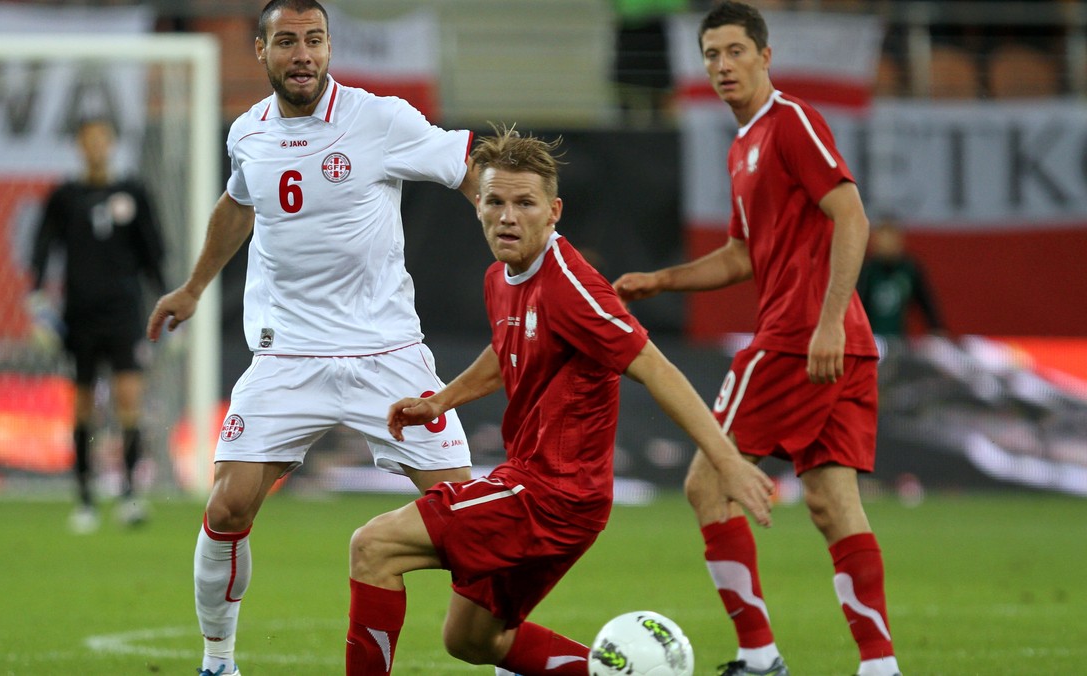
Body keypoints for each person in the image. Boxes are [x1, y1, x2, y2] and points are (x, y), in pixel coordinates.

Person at [344, 126, 775, 676]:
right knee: (473, 641)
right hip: (541, 488)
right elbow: (507, 350)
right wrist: (441, 400)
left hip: (552, 496)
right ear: (476, 205)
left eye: (525, 203)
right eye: (495, 201)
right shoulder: (501, 277)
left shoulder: (571, 284)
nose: (507, 216)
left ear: (554, 211)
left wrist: (726, 460)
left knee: (374, 546)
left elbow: (656, 368)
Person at [143, 2, 479, 674]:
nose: (304, 56)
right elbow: (239, 204)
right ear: (261, 51)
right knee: (230, 502)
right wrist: (194, 287)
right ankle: (217, 661)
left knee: (470, 518)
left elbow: (465, 166)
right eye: (289, 42)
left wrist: (518, 241)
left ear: (330, 47)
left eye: (316, 41)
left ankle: (500, 650)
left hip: (385, 353)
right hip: (287, 355)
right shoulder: (249, 133)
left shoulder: (378, 118)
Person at [612, 3, 903, 675]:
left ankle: (759, 655)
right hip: (835, 343)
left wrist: (828, 319)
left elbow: (851, 215)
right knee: (833, 503)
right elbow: (741, 256)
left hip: (804, 337)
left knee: (704, 484)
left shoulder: (790, 122)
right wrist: (664, 280)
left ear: (765, 57)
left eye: (735, 51)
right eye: (711, 54)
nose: (722, 65)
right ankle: (880, 666)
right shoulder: (742, 146)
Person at [29, 117, 166, 534]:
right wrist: (36, 301)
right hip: (79, 315)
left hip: (123, 313)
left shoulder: (133, 193)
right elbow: (42, 248)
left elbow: (153, 255)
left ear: (112, 145)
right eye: (89, 141)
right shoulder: (64, 196)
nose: (96, 148)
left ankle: (128, 493)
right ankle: (85, 498)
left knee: (129, 399)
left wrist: (170, 311)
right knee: (83, 406)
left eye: (103, 140)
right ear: (78, 146)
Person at [856, 220, 944, 338]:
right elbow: (857, 306)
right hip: (871, 339)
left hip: (900, 340)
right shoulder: (867, 270)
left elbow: (926, 303)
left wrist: (937, 329)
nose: (887, 246)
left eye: (891, 240)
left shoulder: (909, 269)